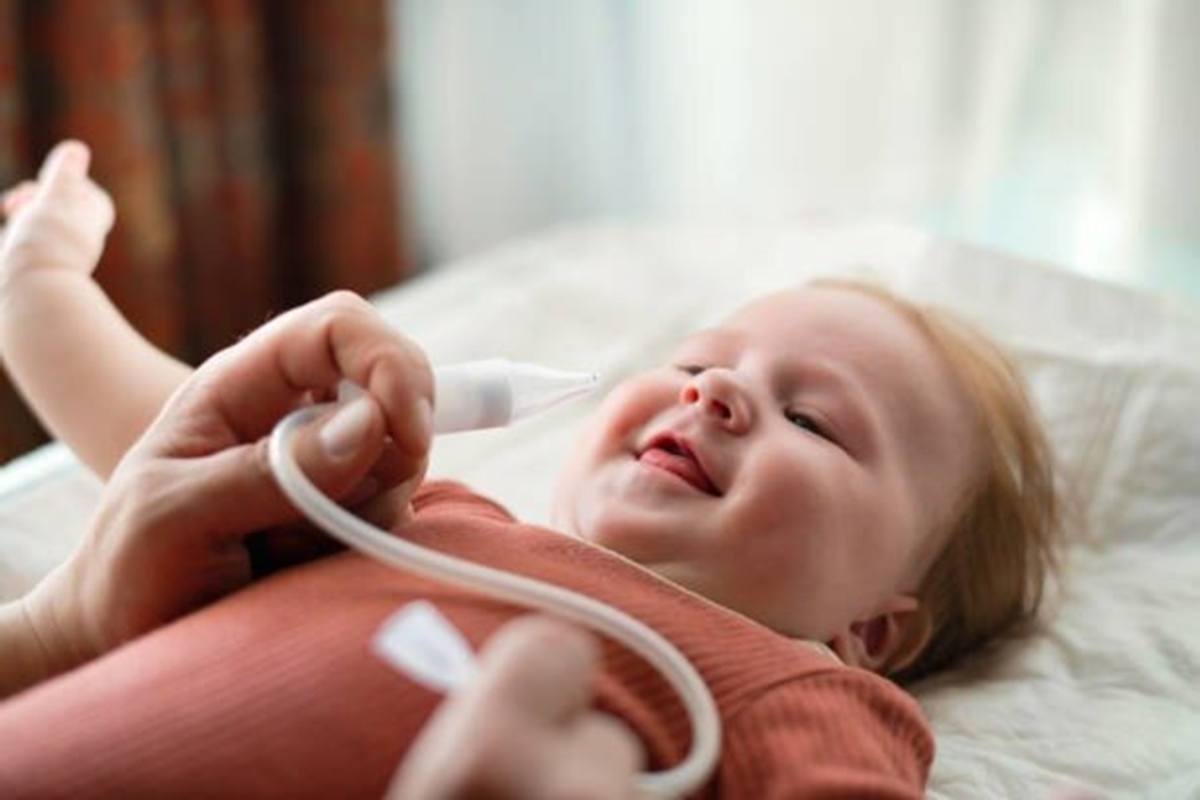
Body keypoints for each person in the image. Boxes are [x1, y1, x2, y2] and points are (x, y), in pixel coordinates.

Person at [0, 141, 1060, 797]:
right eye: (697, 361)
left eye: (814, 420)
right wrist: (40, 281)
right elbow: (178, 451)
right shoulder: (426, 517)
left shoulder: (789, 687)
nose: (715, 394)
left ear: (872, 629)